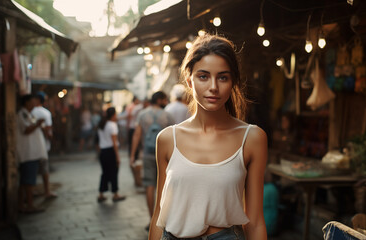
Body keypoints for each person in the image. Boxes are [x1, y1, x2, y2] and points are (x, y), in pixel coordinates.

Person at [149, 34, 268, 239]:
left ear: (233, 82)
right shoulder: (168, 139)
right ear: (189, 80)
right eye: (203, 76)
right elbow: (159, 215)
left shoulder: (252, 138)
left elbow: (255, 221)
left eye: (223, 77)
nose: (213, 86)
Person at [130, 91, 174, 228]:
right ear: (160, 100)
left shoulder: (142, 114)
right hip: (166, 157)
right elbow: (174, 136)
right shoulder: (167, 115)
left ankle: (152, 220)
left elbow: (137, 135)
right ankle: (165, 219)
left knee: (149, 186)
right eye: (165, 100)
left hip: (148, 154)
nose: (166, 102)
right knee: (167, 187)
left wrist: (133, 155)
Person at [16, 94, 48, 213]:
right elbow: (26, 130)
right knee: (28, 181)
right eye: (33, 100)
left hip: (32, 153)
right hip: (28, 153)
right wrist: (38, 124)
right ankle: (29, 205)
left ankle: (22, 204)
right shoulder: (22, 114)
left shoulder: (29, 114)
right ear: (27, 102)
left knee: (26, 181)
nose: (35, 103)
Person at [31, 92, 57, 199]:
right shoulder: (45, 113)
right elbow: (48, 130)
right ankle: (47, 191)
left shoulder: (30, 112)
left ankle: (32, 191)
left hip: (31, 146)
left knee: (32, 169)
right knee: (44, 170)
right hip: (42, 146)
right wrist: (50, 138)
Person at [97, 107, 126, 203]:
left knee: (105, 173)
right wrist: (117, 156)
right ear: (113, 115)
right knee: (113, 172)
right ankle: (115, 193)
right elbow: (114, 142)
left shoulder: (102, 124)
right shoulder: (112, 125)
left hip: (103, 151)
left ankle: (101, 194)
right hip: (111, 151)